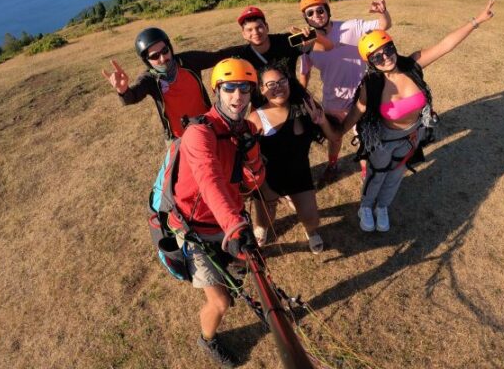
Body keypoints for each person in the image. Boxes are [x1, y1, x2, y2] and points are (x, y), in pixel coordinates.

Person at [342, 0, 495, 233]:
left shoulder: (411, 65)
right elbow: (357, 111)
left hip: (413, 134)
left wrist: (477, 21)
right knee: (377, 174)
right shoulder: (371, 84)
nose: (386, 57)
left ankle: (382, 207)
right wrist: (334, 132)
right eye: (377, 57)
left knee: (396, 175)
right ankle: (366, 206)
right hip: (383, 138)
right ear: (370, 62)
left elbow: (445, 45)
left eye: (388, 49)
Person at [170, 58, 265, 367]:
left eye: (245, 89)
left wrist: (250, 151)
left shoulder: (247, 129)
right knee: (221, 301)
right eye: (230, 88)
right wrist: (236, 226)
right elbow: (209, 180)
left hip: (228, 220)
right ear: (217, 92)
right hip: (195, 227)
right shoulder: (199, 133)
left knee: (248, 270)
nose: (238, 97)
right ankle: (208, 339)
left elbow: (254, 182)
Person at [298, 0, 392, 183]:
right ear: (306, 19)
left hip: (361, 97)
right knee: (335, 138)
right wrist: (299, 96)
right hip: (333, 100)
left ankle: (367, 174)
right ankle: (332, 165)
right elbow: (304, 72)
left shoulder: (352, 27)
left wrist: (382, 12)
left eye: (320, 10)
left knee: (365, 136)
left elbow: (384, 26)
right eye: (310, 14)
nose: (317, 16)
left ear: (328, 10)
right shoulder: (307, 44)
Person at [248, 63, 337, 254]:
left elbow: (334, 137)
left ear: (289, 82)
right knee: (265, 220)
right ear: (262, 89)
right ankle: (261, 228)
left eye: (282, 81)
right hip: (268, 179)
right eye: (271, 84)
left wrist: (322, 122)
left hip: (299, 175)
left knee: (312, 221)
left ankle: (311, 233)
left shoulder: (304, 108)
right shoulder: (256, 118)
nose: (278, 87)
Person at [102, 27, 233, 141]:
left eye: (165, 51)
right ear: (146, 60)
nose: (163, 58)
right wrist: (123, 90)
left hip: (207, 125)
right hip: (179, 138)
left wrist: (249, 48)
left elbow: (218, 56)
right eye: (154, 56)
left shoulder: (188, 61)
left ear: (170, 48)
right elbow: (133, 96)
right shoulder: (150, 79)